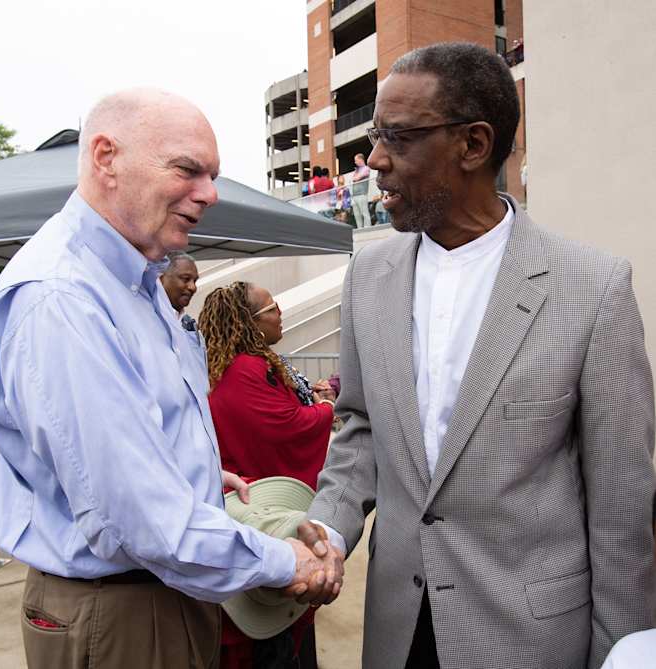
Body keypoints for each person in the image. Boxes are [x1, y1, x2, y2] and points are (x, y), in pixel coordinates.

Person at [299, 42, 656, 669]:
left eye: (400, 139)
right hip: (398, 632)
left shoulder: (592, 288)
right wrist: (327, 529)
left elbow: (622, 506)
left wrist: (622, 652)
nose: (374, 162)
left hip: (530, 639)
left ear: (473, 145)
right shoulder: (368, 274)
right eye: (376, 136)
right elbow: (359, 427)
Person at [0, 88, 343, 669]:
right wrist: (288, 561)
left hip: (156, 597)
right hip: (120, 611)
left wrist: (193, 471)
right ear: (105, 158)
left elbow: (120, 448)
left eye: (213, 175)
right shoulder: (65, 299)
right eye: (187, 169)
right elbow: (141, 520)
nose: (210, 194)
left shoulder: (132, 284)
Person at [199, 281, 336, 669]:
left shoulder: (235, 365)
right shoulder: (246, 369)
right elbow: (284, 428)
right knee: (271, 634)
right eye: (273, 308)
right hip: (260, 513)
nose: (281, 313)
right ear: (250, 322)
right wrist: (325, 410)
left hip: (252, 512)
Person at [159, 251, 199, 317]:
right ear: (161, 279)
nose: (193, 287)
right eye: (186, 279)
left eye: (195, 281)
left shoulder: (188, 323)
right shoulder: (148, 316)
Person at [351, 152, 371, 228]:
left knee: (364, 213)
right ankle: (360, 229)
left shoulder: (366, 168)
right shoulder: (356, 170)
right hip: (355, 195)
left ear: (360, 159)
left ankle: (368, 229)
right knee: (357, 214)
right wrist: (355, 177)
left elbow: (357, 178)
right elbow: (353, 179)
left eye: (356, 160)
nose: (355, 162)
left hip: (362, 194)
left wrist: (356, 177)